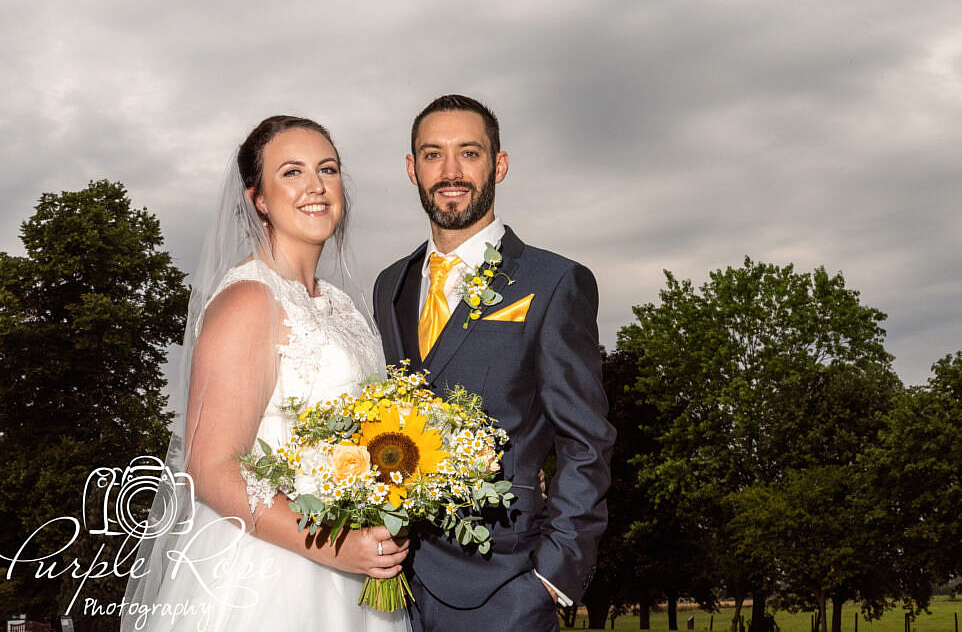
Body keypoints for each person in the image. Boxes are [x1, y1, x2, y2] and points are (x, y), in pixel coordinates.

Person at [122, 117, 411, 631]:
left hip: (355, 569)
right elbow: (210, 468)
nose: (317, 186)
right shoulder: (248, 300)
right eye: (292, 172)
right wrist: (332, 545)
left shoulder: (342, 305)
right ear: (259, 198)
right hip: (269, 572)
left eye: (328, 169)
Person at [373, 95, 615, 632]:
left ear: (498, 164)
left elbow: (586, 441)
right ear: (412, 168)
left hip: (507, 582)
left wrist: (554, 578)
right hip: (393, 583)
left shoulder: (553, 281)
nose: (451, 172)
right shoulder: (390, 284)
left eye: (470, 153)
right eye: (433, 155)